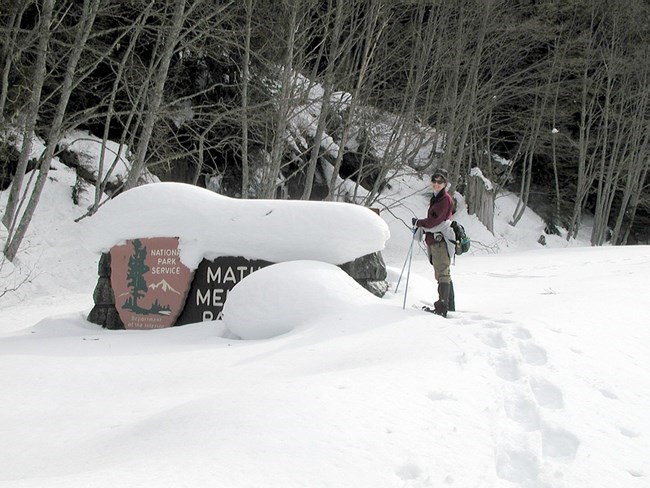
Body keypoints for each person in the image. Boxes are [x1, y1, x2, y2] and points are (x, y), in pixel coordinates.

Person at [411, 169, 456, 317]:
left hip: (440, 241)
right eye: (434, 181)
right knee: (443, 272)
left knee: (442, 273)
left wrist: (419, 223)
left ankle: (442, 307)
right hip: (436, 240)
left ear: (445, 183)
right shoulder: (437, 197)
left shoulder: (444, 199)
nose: (436, 184)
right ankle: (448, 305)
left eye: (440, 182)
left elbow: (433, 222)